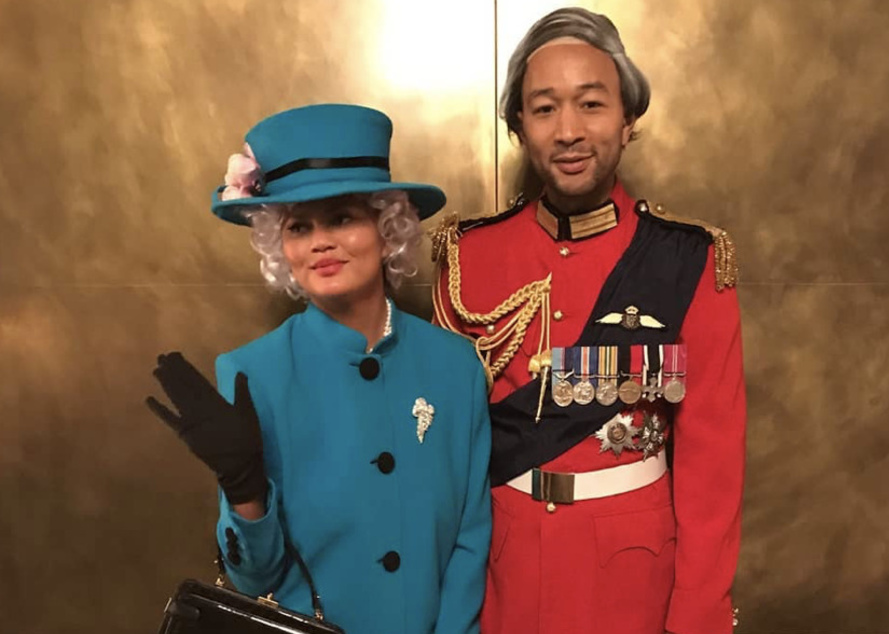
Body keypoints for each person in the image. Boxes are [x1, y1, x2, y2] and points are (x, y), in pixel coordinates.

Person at [432, 8, 746, 634]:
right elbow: (443, 450)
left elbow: (714, 466)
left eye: (592, 105)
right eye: (545, 108)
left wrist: (696, 616)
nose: (569, 130)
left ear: (629, 119)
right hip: (502, 569)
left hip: (634, 576)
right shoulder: (468, 256)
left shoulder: (689, 261)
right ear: (519, 125)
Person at [147, 104, 491, 634]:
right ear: (279, 246)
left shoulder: (454, 367)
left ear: (387, 227)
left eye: (342, 217)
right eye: (299, 226)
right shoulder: (249, 374)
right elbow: (250, 579)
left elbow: (470, 540)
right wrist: (244, 490)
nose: (319, 242)